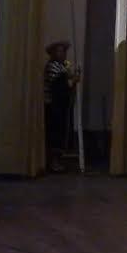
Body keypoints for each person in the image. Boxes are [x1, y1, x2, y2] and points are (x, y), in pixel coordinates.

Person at [44, 40, 78, 172]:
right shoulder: (53, 67)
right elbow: (59, 86)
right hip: (54, 105)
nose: (62, 54)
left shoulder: (63, 66)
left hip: (62, 105)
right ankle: (53, 162)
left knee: (61, 132)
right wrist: (72, 81)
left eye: (63, 51)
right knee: (55, 133)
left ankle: (58, 160)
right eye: (59, 51)